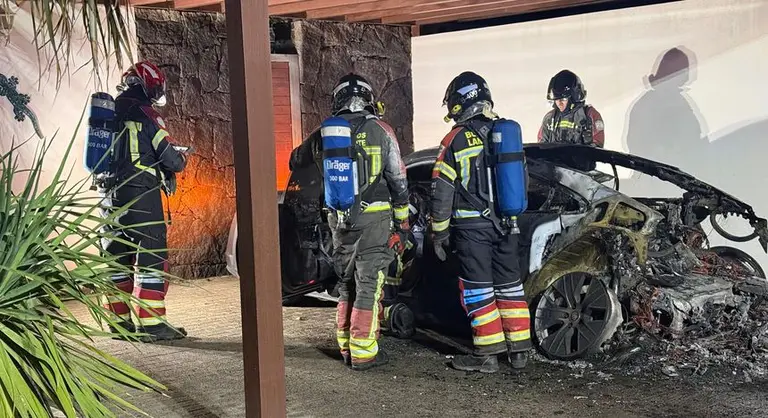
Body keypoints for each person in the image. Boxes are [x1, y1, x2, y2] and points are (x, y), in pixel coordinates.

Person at [289, 73, 410, 370]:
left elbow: (295, 161)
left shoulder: (325, 133)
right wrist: (403, 225)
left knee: (345, 284)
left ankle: (346, 347)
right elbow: (398, 180)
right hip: (375, 221)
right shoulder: (381, 130)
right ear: (369, 99)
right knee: (368, 285)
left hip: (339, 222)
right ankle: (364, 352)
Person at [430, 71, 532, 373]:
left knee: (478, 289)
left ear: (459, 104)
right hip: (508, 226)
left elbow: (441, 190)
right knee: (510, 287)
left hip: (472, 229)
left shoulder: (456, 140)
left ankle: (487, 356)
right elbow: (523, 181)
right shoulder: (505, 135)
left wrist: (439, 233)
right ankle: (519, 352)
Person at [100, 60, 189, 343]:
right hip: (141, 196)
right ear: (151, 86)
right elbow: (172, 160)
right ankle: (152, 324)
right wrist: (181, 156)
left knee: (117, 258)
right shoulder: (148, 115)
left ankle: (119, 323)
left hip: (108, 197)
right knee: (151, 257)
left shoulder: (106, 114)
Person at [538, 69, 605, 148]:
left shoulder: (590, 115)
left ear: (574, 97)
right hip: (553, 160)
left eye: (563, 99)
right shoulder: (549, 118)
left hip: (580, 159)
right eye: (556, 100)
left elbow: (598, 148)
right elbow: (541, 146)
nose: (559, 103)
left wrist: (589, 146)